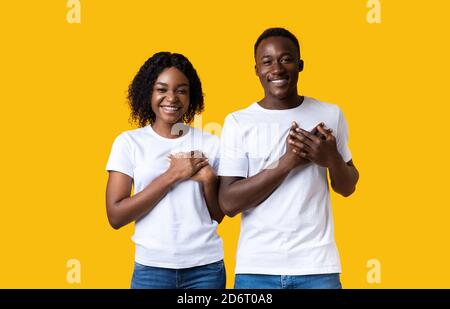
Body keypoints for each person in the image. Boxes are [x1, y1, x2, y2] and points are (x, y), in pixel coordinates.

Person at [218, 28, 359, 289]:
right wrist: (287, 163)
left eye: (286, 59)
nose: (277, 69)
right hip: (256, 270)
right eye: (267, 61)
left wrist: (331, 159)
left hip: (318, 267)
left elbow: (347, 187)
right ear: (256, 70)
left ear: (300, 64)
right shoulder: (238, 122)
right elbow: (228, 203)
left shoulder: (330, 113)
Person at [105, 52, 225, 289]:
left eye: (181, 90)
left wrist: (210, 179)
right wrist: (173, 175)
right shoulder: (128, 143)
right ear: (148, 93)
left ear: (192, 96)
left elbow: (218, 215)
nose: (172, 98)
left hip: (206, 269)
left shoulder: (211, 143)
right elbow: (116, 216)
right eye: (162, 89)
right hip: (151, 269)